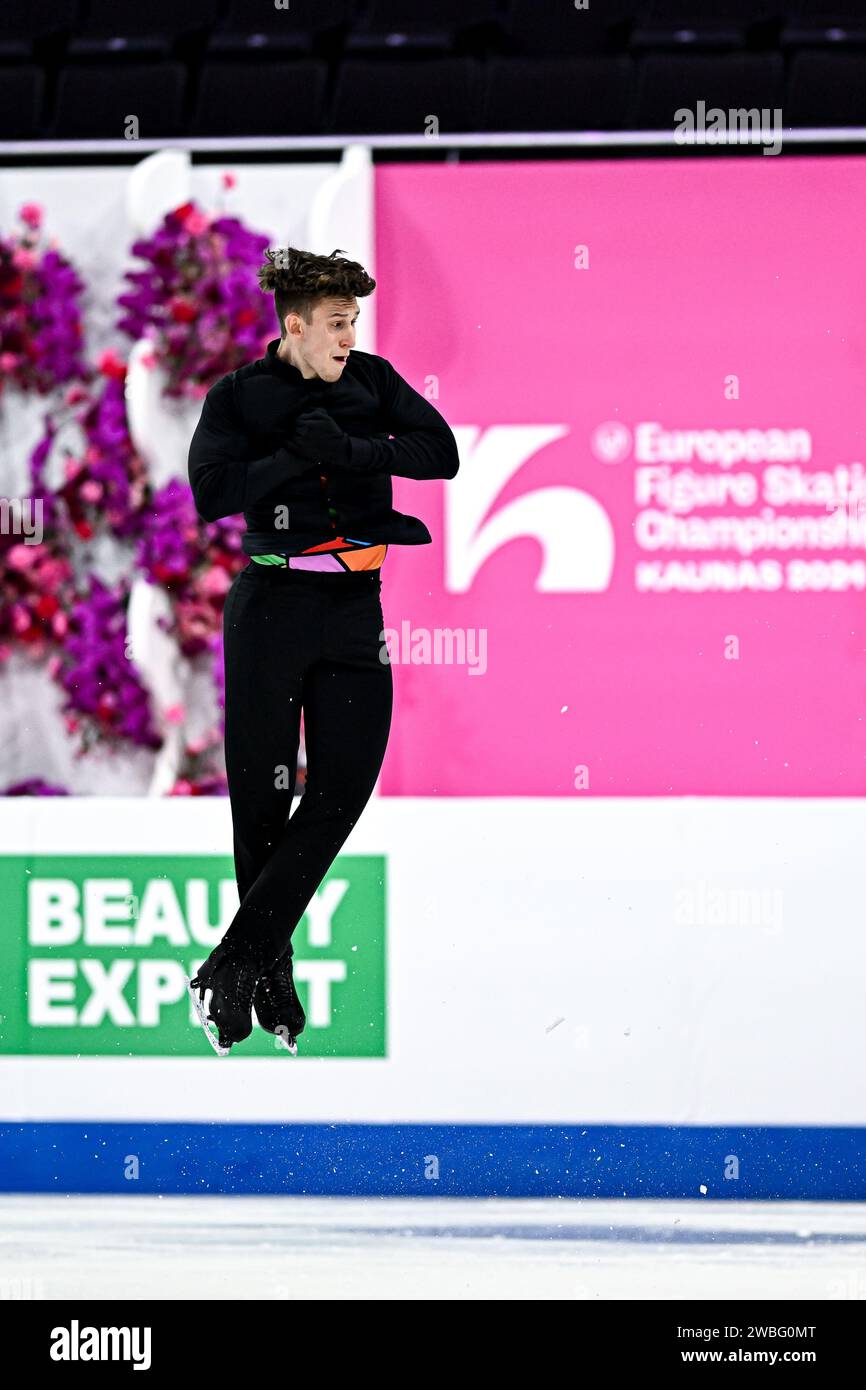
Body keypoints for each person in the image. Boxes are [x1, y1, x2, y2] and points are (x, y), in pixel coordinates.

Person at [186, 246, 459, 1054]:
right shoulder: (238, 395)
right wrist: (292, 456)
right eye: (337, 324)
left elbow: (438, 452)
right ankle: (268, 977)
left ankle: (232, 963)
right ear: (296, 325)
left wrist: (353, 452)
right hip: (272, 603)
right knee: (260, 805)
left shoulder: (372, 382)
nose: (349, 337)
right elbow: (211, 494)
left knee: (342, 788)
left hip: (353, 607)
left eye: (355, 323)